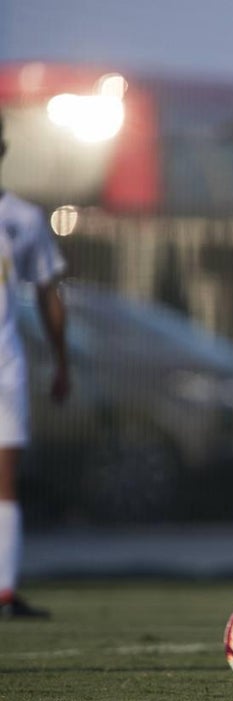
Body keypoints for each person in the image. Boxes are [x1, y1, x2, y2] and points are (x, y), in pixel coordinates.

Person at [0, 115, 70, 619]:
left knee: (5, 478)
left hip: (5, 364)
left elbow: (48, 293)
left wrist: (62, 362)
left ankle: (4, 590)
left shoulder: (22, 218)